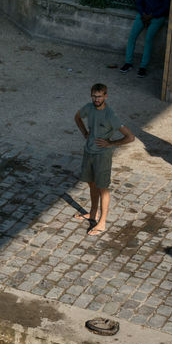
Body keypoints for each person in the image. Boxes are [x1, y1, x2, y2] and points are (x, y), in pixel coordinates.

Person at [74, 83, 136, 237]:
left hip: (102, 156)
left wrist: (111, 143)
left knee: (103, 187)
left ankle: (102, 222)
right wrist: (85, 133)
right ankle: (93, 213)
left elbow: (130, 137)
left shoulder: (110, 115)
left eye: (100, 96)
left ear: (105, 96)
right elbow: (77, 117)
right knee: (91, 183)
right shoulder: (89, 108)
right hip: (89, 152)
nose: (97, 99)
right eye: (94, 96)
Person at [120, 0, 170, 76]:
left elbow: (165, 7)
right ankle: (128, 62)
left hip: (157, 17)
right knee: (132, 36)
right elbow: (139, 2)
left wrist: (151, 16)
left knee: (148, 39)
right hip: (143, 15)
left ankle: (143, 67)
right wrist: (143, 14)